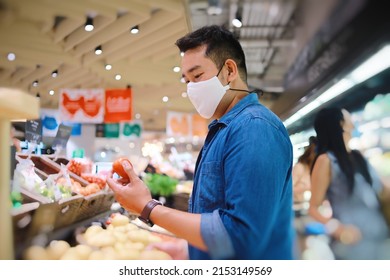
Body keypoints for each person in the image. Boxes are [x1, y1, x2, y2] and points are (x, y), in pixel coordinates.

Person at [107, 25, 295, 260]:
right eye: (187, 80)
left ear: (229, 70)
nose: (191, 89)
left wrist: (148, 207)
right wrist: (189, 250)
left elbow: (241, 238)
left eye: (197, 76)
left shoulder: (254, 128)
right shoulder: (224, 129)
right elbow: (219, 217)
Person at [309, 107, 390, 259]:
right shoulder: (326, 161)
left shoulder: (359, 156)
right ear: (340, 124)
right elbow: (313, 208)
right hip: (351, 245)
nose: (352, 122)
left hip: (379, 236)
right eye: (348, 117)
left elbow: (381, 188)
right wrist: (338, 229)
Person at [292, 136, 317, 206]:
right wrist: (304, 188)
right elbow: (288, 190)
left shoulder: (313, 170)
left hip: (305, 206)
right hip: (295, 206)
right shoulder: (299, 167)